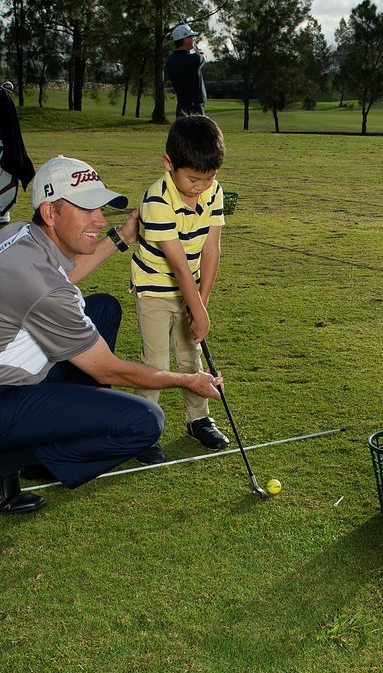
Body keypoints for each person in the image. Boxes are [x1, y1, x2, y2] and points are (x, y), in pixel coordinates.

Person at [0, 155, 222, 515]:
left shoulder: (19, 235)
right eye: (86, 210)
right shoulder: (39, 282)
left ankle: (40, 444)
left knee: (102, 309)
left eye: (100, 209)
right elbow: (107, 370)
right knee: (143, 423)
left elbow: (61, 278)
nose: (99, 220)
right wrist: (187, 379)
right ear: (50, 213)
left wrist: (122, 236)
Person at [129, 115, 228, 465]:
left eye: (209, 178)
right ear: (168, 163)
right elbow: (177, 264)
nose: (201, 187)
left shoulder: (214, 192)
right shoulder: (156, 201)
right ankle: (144, 431)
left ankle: (197, 419)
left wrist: (200, 303)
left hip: (192, 288)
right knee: (155, 362)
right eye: (193, 179)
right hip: (154, 289)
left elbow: (210, 249)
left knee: (191, 358)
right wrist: (197, 310)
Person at [166, 23, 207, 117]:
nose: (193, 39)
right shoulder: (194, 58)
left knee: (181, 131)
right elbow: (203, 57)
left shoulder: (170, 60)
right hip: (195, 108)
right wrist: (200, 52)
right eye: (191, 37)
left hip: (181, 106)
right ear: (185, 39)